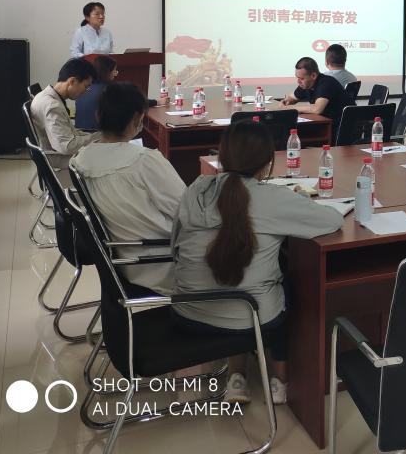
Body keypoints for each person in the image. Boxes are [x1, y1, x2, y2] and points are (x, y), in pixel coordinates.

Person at [172, 121, 343, 405]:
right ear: (267, 164)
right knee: (286, 281)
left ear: (222, 156)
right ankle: (280, 381)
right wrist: (300, 202)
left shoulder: (197, 189)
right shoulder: (274, 198)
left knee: (241, 277)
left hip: (188, 311)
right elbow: (333, 220)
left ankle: (236, 377)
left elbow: (175, 246)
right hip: (251, 318)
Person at [71, 83, 185, 295]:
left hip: (123, 261)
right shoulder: (145, 161)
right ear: (138, 120)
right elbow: (187, 213)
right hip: (165, 263)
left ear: (98, 115)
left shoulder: (80, 160)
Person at [30, 58, 100, 156]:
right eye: (86, 86)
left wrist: (96, 136)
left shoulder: (45, 96)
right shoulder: (53, 106)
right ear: (72, 81)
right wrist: (100, 137)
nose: (86, 91)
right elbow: (68, 146)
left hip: (58, 152)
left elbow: (69, 133)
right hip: (61, 159)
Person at [282, 57, 346, 130]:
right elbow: (292, 97)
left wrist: (291, 108)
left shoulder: (326, 83)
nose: (298, 82)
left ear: (313, 76)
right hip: (326, 124)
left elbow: (317, 109)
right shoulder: (306, 84)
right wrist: (286, 101)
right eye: (297, 78)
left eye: (302, 78)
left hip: (341, 126)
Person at [74, 55, 118, 131]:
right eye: (114, 70)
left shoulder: (84, 88)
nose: (115, 74)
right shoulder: (109, 90)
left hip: (79, 132)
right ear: (108, 71)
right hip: (97, 134)